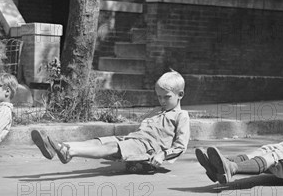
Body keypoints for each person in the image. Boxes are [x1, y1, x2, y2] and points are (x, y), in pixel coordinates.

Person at [31, 70, 190, 167]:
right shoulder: (156, 110)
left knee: (111, 147)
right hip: (132, 139)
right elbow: (141, 129)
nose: (161, 101)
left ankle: (69, 151)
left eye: (166, 97)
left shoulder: (181, 116)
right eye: (159, 97)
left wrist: (162, 155)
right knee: (98, 141)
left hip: (148, 147)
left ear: (180, 95)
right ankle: (59, 146)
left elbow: (181, 146)